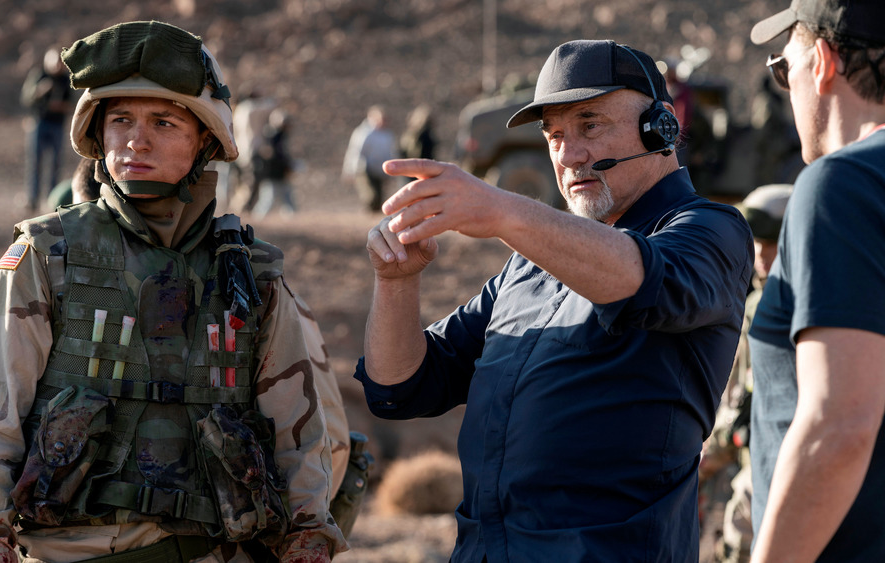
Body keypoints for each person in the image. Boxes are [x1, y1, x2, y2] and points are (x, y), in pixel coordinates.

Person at [0, 21, 348, 562]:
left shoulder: (251, 274)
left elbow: (301, 429)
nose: (135, 140)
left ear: (205, 141)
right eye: (120, 119)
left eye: (163, 122)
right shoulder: (47, 255)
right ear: (98, 134)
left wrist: (309, 530)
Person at [355, 39, 753, 562]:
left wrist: (501, 211)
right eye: (555, 136)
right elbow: (400, 387)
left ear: (661, 128)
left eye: (590, 126)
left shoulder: (711, 230)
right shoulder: (529, 262)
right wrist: (395, 283)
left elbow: (646, 280)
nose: (569, 155)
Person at [747, 1, 885, 561]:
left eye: (784, 68)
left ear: (824, 61)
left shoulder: (842, 184)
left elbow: (839, 425)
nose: (786, 86)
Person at [698, 184, 792, 563]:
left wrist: (712, 456)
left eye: (772, 245)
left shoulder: (778, 307)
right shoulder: (757, 302)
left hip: (774, 466)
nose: (762, 258)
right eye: (757, 245)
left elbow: (752, 398)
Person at [21, 48, 73, 211]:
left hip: (57, 125)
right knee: (35, 162)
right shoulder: (39, 75)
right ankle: (32, 199)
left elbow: (72, 104)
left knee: (55, 163)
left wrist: (59, 107)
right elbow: (26, 98)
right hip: (39, 123)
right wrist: (40, 91)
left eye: (59, 62)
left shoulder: (65, 80)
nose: (57, 65)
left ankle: (52, 199)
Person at [342, 105, 397, 213]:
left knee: (380, 194)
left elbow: (390, 153)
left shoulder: (387, 134)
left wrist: (392, 169)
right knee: (371, 194)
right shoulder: (365, 133)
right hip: (365, 168)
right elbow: (356, 151)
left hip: (380, 169)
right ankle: (368, 213)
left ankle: (374, 216)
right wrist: (350, 169)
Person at [252, 109, 298, 219]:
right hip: (271, 172)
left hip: (279, 171)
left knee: (286, 194)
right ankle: (258, 217)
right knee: (268, 196)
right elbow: (272, 155)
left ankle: (291, 216)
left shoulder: (280, 136)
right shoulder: (271, 136)